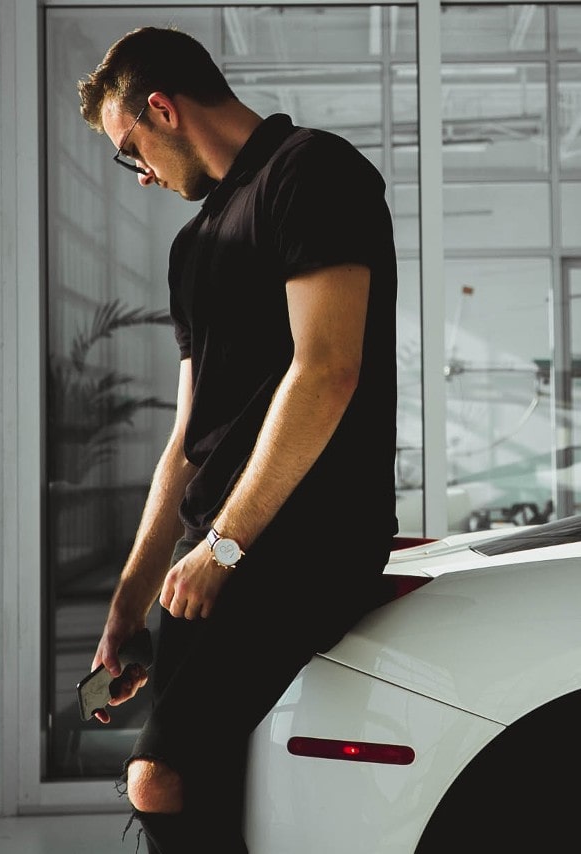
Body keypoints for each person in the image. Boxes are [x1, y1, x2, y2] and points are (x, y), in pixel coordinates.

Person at [77, 26, 398, 853]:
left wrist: (223, 549)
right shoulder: (193, 248)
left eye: (130, 148)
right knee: (211, 783)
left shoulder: (313, 173)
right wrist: (128, 602)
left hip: (298, 541)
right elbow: (189, 439)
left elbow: (328, 372)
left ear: (162, 108)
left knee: (159, 775)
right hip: (214, 552)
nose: (138, 172)